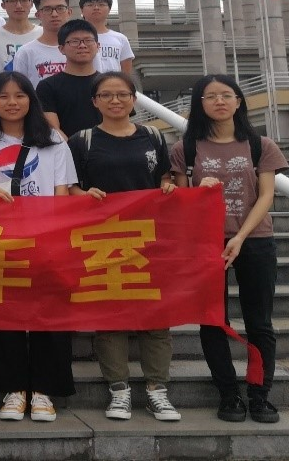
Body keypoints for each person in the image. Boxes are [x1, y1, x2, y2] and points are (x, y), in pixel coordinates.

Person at [171, 74, 289, 425]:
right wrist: (197, 191)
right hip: (205, 243)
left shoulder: (260, 145)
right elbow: (180, 199)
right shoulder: (185, 148)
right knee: (213, 321)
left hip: (255, 240)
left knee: (259, 322)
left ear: (239, 101)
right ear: (200, 104)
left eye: (226, 95)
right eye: (210, 96)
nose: (219, 101)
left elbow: (266, 196)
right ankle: (228, 394)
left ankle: (260, 395)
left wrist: (239, 237)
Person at [0, 72, 77, 422]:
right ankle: (13, 389)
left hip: (46, 237)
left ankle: (44, 390)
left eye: (19, 95)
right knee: (4, 312)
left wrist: (55, 235)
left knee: (50, 312)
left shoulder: (53, 140)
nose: (12, 102)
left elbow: (62, 191)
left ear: (31, 99)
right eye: (3, 96)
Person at [67, 71, 180, 423]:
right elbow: (70, 187)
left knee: (157, 317)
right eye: (106, 95)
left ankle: (157, 390)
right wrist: (83, 194)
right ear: (94, 101)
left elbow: (164, 177)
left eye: (122, 94)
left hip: (148, 238)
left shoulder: (154, 136)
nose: (115, 101)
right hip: (103, 239)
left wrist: (168, 187)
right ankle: (119, 389)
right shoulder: (82, 140)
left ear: (133, 99)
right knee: (110, 317)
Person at [36, 20, 102, 138]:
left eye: (88, 40)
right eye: (74, 41)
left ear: (98, 46)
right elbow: (53, 129)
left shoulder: (110, 84)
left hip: (107, 148)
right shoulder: (47, 86)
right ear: (61, 49)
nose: (82, 45)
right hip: (65, 147)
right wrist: (75, 147)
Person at [10, 0, 84, 86]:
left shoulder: (85, 48)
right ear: (38, 15)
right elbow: (19, 89)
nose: (54, 14)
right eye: (47, 9)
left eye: (60, 8)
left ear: (69, 12)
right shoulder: (25, 53)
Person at [80, 0, 135, 74]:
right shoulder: (74, 38)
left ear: (109, 9)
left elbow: (126, 72)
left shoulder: (120, 38)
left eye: (101, 4)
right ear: (81, 10)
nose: (96, 8)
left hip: (112, 82)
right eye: (90, 5)